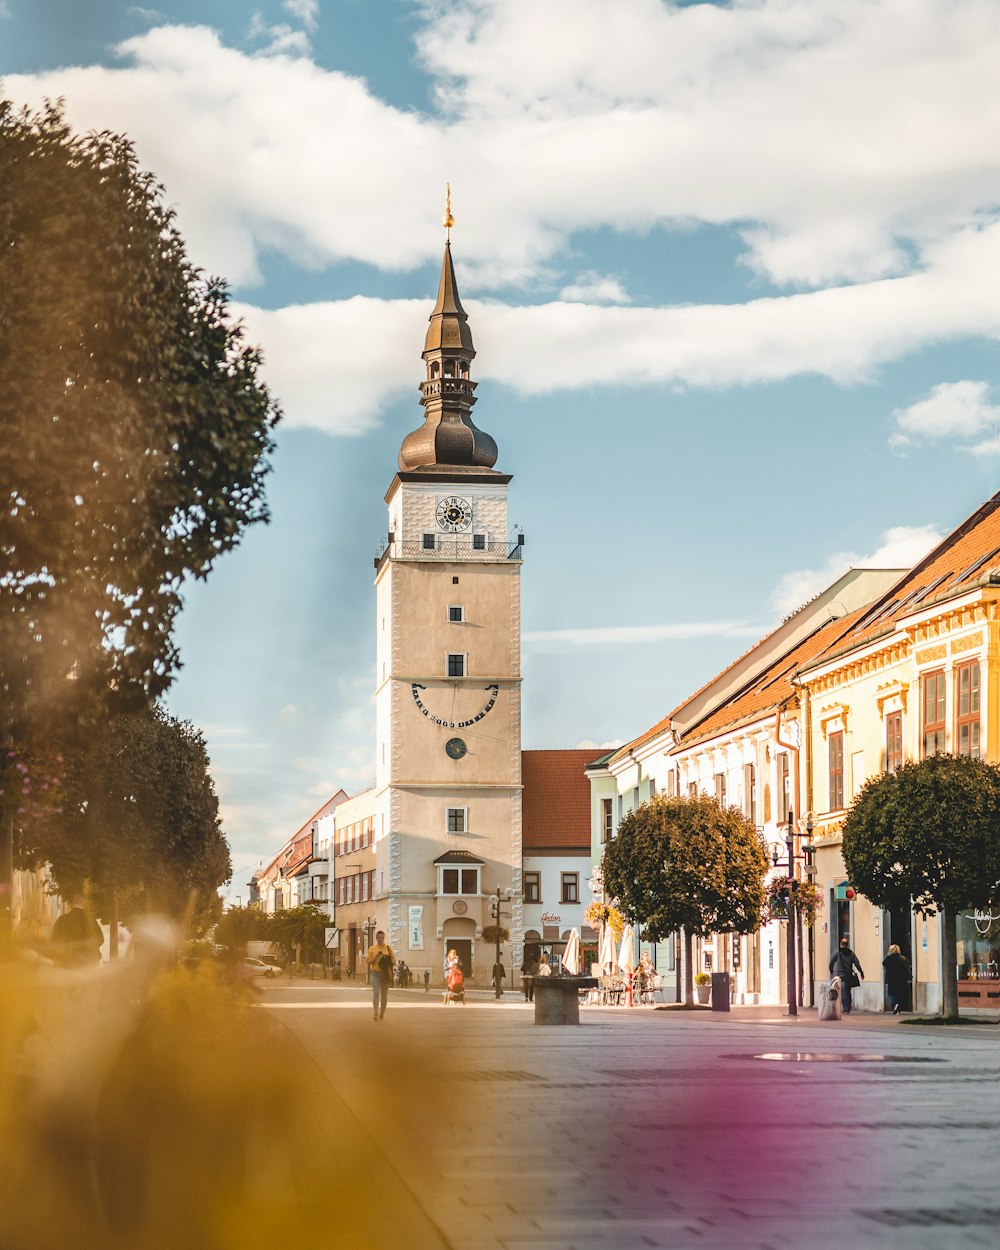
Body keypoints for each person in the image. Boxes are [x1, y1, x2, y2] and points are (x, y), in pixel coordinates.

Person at [49, 894, 104, 968]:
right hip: (89, 963)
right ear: (83, 903)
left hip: (68, 963)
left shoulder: (62, 920)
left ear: (70, 904)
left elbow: (53, 941)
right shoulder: (90, 920)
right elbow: (100, 940)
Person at [365, 930, 396, 1022]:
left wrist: (387, 958)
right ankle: (375, 1012)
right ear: (376, 938)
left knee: (384, 995)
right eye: (379, 938)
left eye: (382, 938)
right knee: (376, 993)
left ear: (384, 938)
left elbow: (394, 961)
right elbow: (368, 962)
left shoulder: (388, 948)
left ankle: (382, 1012)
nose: (380, 939)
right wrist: (376, 957)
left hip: (385, 974)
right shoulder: (372, 949)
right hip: (375, 973)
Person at [829, 936, 864, 1015]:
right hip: (849, 976)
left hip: (840, 976)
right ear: (847, 944)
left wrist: (831, 971)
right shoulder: (851, 953)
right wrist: (861, 972)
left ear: (840, 944)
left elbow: (831, 963)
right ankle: (848, 1007)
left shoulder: (837, 952)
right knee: (847, 991)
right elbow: (857, 963)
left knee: (843, 992)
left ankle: (846, 1009)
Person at [882, 943, 911, 1014]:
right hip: (901, 979)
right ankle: (898, 1006)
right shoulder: (902, 958)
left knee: (891, 994)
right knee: (900, 994)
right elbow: (906, 968)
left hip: (891, 979)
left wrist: (888, 955)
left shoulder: (888, 959)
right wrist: (909, 976)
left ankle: (895, 1004)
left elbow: (883, 963)